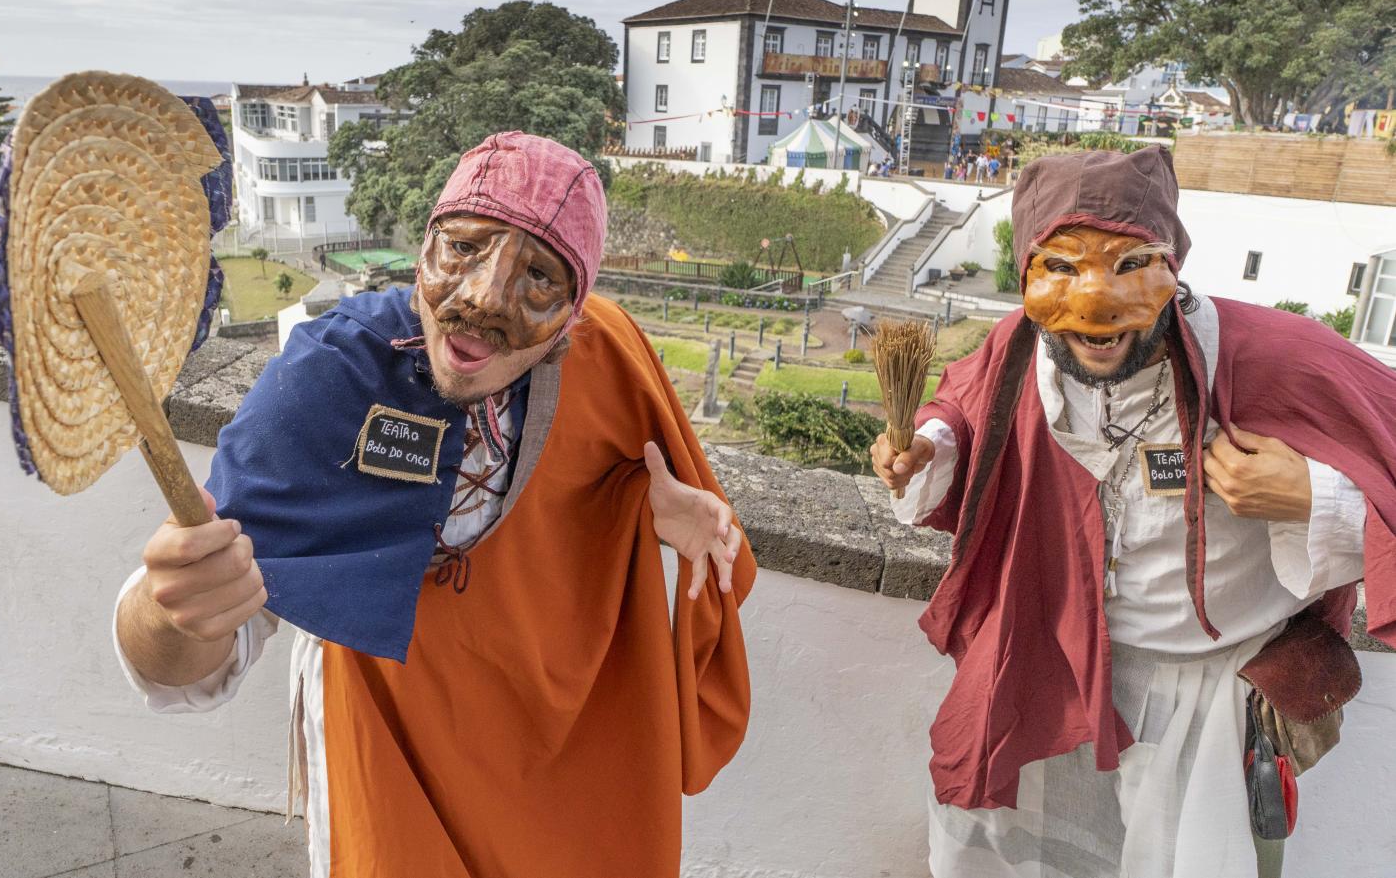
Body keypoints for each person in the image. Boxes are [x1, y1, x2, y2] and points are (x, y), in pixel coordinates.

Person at [114, 132, 755, 878]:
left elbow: (703, 536)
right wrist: (171, 610)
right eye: (463, 249)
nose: (482, 298)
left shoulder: (612, 360)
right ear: (424, 246)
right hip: (390, 748)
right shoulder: (333, 378)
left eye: (537, 277)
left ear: (573, 315)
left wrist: (653, 511)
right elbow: (182, 666)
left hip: (545, 761)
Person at [870, 147, 1395, 878]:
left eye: (1128, 264)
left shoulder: (1280, 357)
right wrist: (933, 445)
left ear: (1172, 264)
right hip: (1054, 676)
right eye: (1061, 267)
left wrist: (1310, 497)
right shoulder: (1022, 347)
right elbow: (962, 398)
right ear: (1028, 270)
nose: (1096, 303)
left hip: (1209, 702)